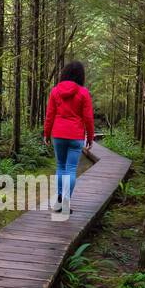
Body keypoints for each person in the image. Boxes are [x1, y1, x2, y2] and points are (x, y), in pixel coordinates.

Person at [42, 60, 94, 215]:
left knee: (60, 166)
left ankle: (59, 199)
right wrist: (90, 137)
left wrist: (46, 133)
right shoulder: (83, 92)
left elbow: (50, 115)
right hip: (76, 135)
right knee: (71, 169)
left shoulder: (55, 91)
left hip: (58, 134)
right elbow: (88, 118)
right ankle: (65, 202)